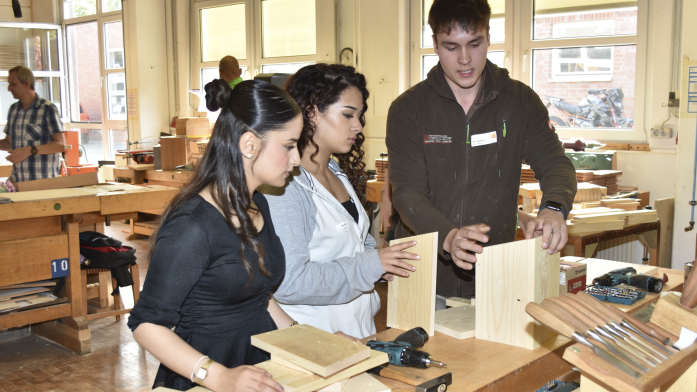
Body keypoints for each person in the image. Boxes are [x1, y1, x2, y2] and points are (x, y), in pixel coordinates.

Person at [386, 0, 577, 302]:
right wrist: (448, 237)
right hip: (422, 272)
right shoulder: (408, 110)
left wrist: (554, 208)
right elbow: (407, 194)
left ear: (488, 37)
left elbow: (555, 163)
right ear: (434, 44)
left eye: (474, 44)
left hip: (494, 270)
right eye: (451, 47)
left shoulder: (520, 103)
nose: (464, 59)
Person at [128, 79, 303, 392]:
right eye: (289, 146)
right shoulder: (192, 227)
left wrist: (307, 345)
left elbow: (259, 297)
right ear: (249, 144)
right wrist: (219, 376)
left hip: (258, 366)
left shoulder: (257, 203)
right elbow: (146, 324)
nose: (297, 159)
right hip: (204, 375)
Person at [262, 63, 419, 339]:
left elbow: (355, 241)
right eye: (348, 115)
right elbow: (289, 282)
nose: (357, 126)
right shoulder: (287, 187)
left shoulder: (336, 172)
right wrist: (372, 266)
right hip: (314, 340)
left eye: (359, 116)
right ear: (312, 112)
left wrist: (382, 264)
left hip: (357, 332)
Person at [0, 65, 65, 183]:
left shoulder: (47, 109)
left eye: (13, 84)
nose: (9, 88)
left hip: (43, 183)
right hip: (18, 183)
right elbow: (10, 143)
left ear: (26, 83)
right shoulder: (13, 110)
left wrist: (29, 150)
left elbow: (61, 144)